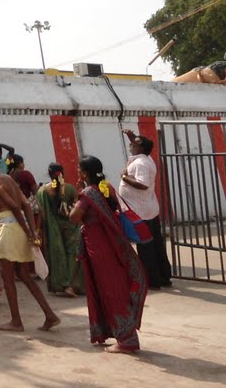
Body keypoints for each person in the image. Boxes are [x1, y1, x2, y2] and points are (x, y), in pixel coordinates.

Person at [71, 155, 148, 353]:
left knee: (111, 289)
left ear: (85, 173)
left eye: (79, 170)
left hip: (99, 246)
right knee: (113, 286)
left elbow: (74, 216)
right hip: (111, 244)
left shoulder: (88, 193)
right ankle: (119, 333)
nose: (78, 173)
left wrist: (79, 194)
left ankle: (127, 340)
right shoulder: (107, 188)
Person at [0, 152, 60, 332]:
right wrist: (31, 231)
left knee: (7, 276)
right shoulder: (7, 178)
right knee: (23, 275)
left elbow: (15, 206)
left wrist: (29, 232)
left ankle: (16, 321)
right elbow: (26, 205)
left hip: (9, 230)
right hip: (18, 229)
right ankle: (50, 315)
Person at [118, 129, 173, 289]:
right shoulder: (143, 157)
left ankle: (153, 280)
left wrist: (124, 177)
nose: (131, 144)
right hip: (146, 210)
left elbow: (143, 184)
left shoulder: (141, 163)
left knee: (146, 248)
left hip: (141, 213)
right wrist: (130, 135)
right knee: (155, 244)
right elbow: (138, 141)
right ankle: (163, 276)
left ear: (140, 148)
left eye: (134, 143)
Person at [36, 163, 83, 296]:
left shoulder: (42, 191)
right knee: (72, 254)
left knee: (58, 255)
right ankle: (72, 284)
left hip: (53, 229)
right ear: (62, 173)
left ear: (49, 174)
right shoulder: (69, 188)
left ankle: (61, 283)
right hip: (70, 227)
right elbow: (76, 207)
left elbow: (41, 213)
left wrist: (38, 229)